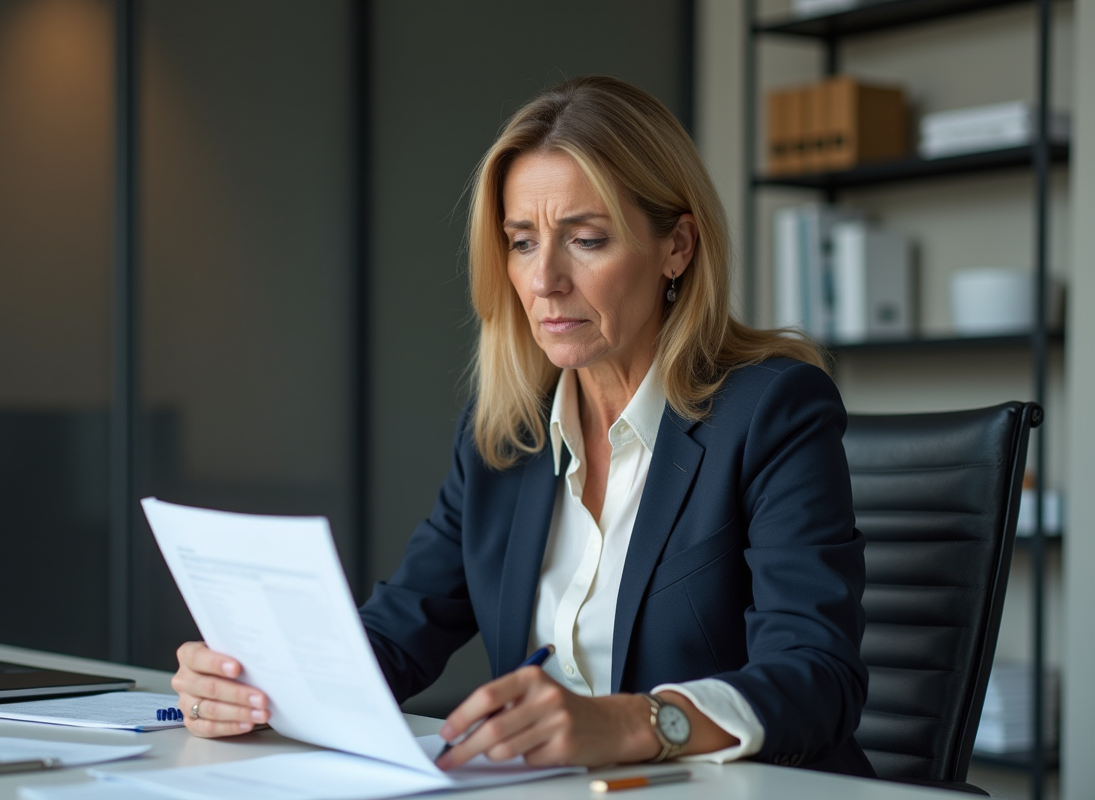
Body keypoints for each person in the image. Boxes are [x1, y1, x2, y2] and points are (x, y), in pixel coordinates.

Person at [171, 75, 873, 777]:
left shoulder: (772, 411)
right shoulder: (506, 436)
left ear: (677, 248)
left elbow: (817, 677)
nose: (545, 281)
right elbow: (397, 633)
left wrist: (632, 721)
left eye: (587, 239)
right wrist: (253, 685)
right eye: (522, 242)